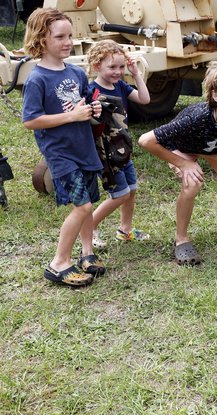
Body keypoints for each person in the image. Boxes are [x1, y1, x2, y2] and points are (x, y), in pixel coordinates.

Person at [138, 60, 217, 265]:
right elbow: (145, 141)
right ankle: (181, 240)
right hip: (184, 149)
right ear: (216, 96)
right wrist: (183, 164)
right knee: (192, 183)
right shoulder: (196, 119)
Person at [22, 8, 105, 286]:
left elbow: (82, 103)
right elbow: (31, 120)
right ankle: (59, 263)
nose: (68, 41)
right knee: (82, 206)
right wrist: (71, 116)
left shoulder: (75, 72)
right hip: (60, 153)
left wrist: (92, 110)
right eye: (60, 36)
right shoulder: (37, 79)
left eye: (70, 35)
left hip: (83, 148)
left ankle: (87, 252)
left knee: (89, 203)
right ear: (42, 40)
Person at [86, 40, 151, 249]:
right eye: (112, 67)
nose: (118, 71)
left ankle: (125, 230)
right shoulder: (91, 92)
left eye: (121, 67)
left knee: (131, 190)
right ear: (97, 66)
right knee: (120, 194)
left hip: (122, 149)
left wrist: (136, 74)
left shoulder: (120, 85)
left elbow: (144, 99)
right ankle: (89, 228)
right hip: (105, 153)